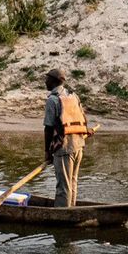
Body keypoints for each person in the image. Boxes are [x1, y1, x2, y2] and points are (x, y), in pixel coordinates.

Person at [43, 68, 93, 207]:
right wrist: (85, 131)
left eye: (47, 79)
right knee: (72, 182)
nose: (45, 82)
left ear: (53, 81)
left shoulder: (52, 100)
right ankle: (70, 209)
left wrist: (47, 152)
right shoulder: (73, 95)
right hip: (78, 145)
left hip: (63, 148)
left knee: (63, 186)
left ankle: (61, 214)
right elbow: (82, 117)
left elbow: (48, 128)